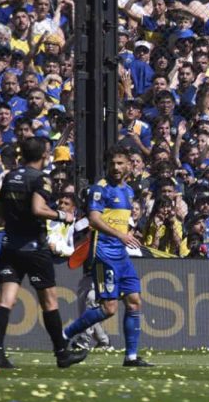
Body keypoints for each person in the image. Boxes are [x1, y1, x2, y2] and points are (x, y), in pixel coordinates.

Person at [0, 138, 88, 374]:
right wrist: (61, 216)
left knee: (6, 300)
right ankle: (62, 354)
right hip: (34, 249)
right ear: (44, 155)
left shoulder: (9, 176)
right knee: (49, 302)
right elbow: (37, 208)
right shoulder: (39, 179)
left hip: (10, 246)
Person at [64, 146, 153, 367]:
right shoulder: (100, 189)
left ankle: (131, 357)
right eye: (112, 163)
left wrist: (127, 234)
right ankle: (65, 334)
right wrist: (121, 235)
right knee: (109, 308)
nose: (116, 167)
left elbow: (119, 220)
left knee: (134, 302)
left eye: (120, 163)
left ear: (129, 166)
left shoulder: (129, 191)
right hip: (104, 252)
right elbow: (94, 219)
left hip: (121, 254)